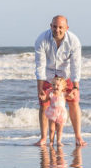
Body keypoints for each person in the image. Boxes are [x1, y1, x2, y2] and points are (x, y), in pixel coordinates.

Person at [34, 15, 86, 146]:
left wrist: (75, 87)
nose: (57, 30)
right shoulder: (41, 39)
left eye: (61, 27)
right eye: (55, 26)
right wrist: (40, 88)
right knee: (44, 104)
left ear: (66, 28)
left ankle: (78, 136)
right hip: (48, 75)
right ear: (50, 26)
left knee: (74, 102)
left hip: (65, 75)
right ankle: (43, 138)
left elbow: (76, 66)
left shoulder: (74, 41)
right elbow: (40, 65)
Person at [42, 76, 68, 146]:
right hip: (52, 112)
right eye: (53, 85)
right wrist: (43, 98)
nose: (55, 86)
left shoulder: (63, 94)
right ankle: (51, 141)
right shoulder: (50, 94)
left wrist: (71, 95)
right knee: (51, 129)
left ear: (63, 87)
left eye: (58, 85)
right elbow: (46, 100)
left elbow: (70, 97)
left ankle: (59, 141)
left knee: (59, 129)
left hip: (61, 114)